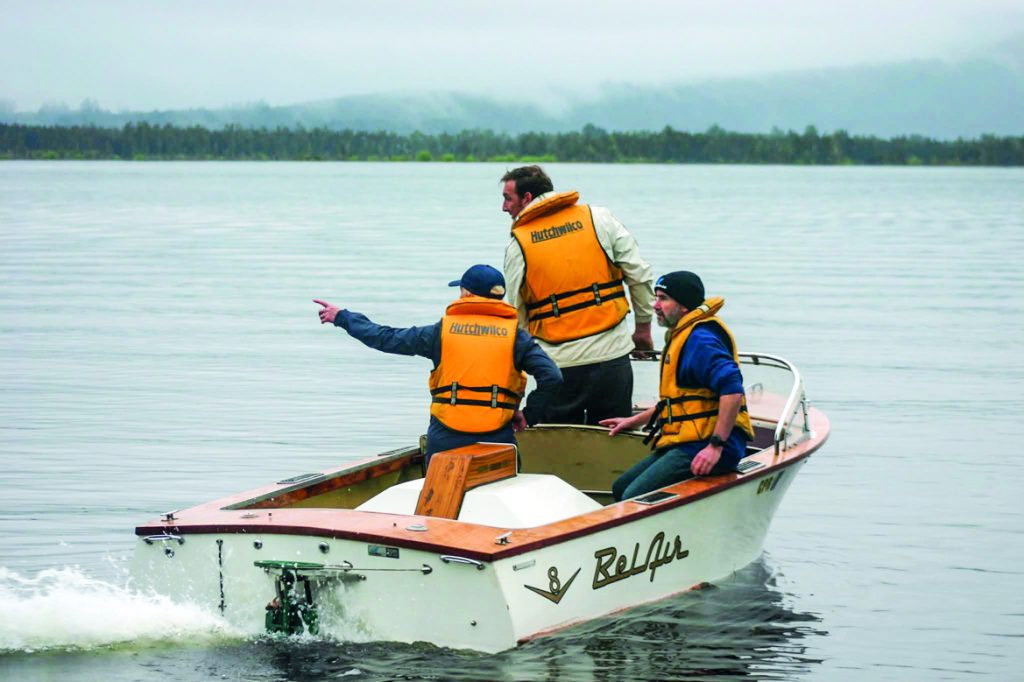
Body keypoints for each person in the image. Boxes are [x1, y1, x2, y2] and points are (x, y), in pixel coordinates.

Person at [315, 264, 562, 469]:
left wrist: (343, 317)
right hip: (497, 436)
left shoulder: (441, 332)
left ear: (467, 295)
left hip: (446, 437)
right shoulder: (517, 337)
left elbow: (385, 338)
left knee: (439, 500)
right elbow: (552, 377)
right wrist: (529, 415)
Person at [500, 165, 655, 426]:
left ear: (526, 198)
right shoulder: (599, 218)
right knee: (612, 437)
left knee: (560, 441)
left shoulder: (519, 244)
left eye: (507, 199)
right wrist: (642, 329)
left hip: (558, 365)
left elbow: (517, 315)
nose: (504, 208)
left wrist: (522, 379)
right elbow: (639, 275)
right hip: (612, 358)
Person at [600, 271, 755, 501]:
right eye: (656, 298)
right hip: (689, 441)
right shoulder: (682, 335)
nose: (655, 306)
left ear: (684, 305)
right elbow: (678, 403)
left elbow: (732, 390)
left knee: (634, 497)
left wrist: (715, 446)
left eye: (663, 299)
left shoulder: (700, 340)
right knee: (621, 487)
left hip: (710, 444)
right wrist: (634, 421)